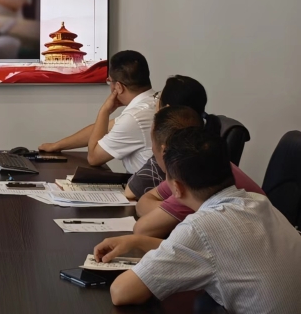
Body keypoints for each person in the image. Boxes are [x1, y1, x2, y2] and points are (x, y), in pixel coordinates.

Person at [94, 128, 301, 312]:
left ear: (176, 188)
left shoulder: (200, 227)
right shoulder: (257, 201)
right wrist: (137, 242)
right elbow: (209, 251)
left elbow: (121, 292)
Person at [134, 106, 263, 238]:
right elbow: (144, 202)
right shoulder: (206, 163)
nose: (152, 148)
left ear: (164, 150)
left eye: (152, 141)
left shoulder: (196, 183)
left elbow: (142, 229)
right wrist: (168, 209)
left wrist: (170, 210)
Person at [39, 50, 155, 173]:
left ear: (119, 87)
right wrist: (56, 146)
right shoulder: (151, 103)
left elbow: (94, 158)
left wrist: (104, 111)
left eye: (110, 81)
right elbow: (103, 128)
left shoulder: (134, 118)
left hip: (142, 185)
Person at [124, 75, 208, 200]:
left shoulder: (174, 151)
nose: (156, 102)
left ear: (166, 109)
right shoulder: (206, 140)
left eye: (158, 97)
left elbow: (130, 192)